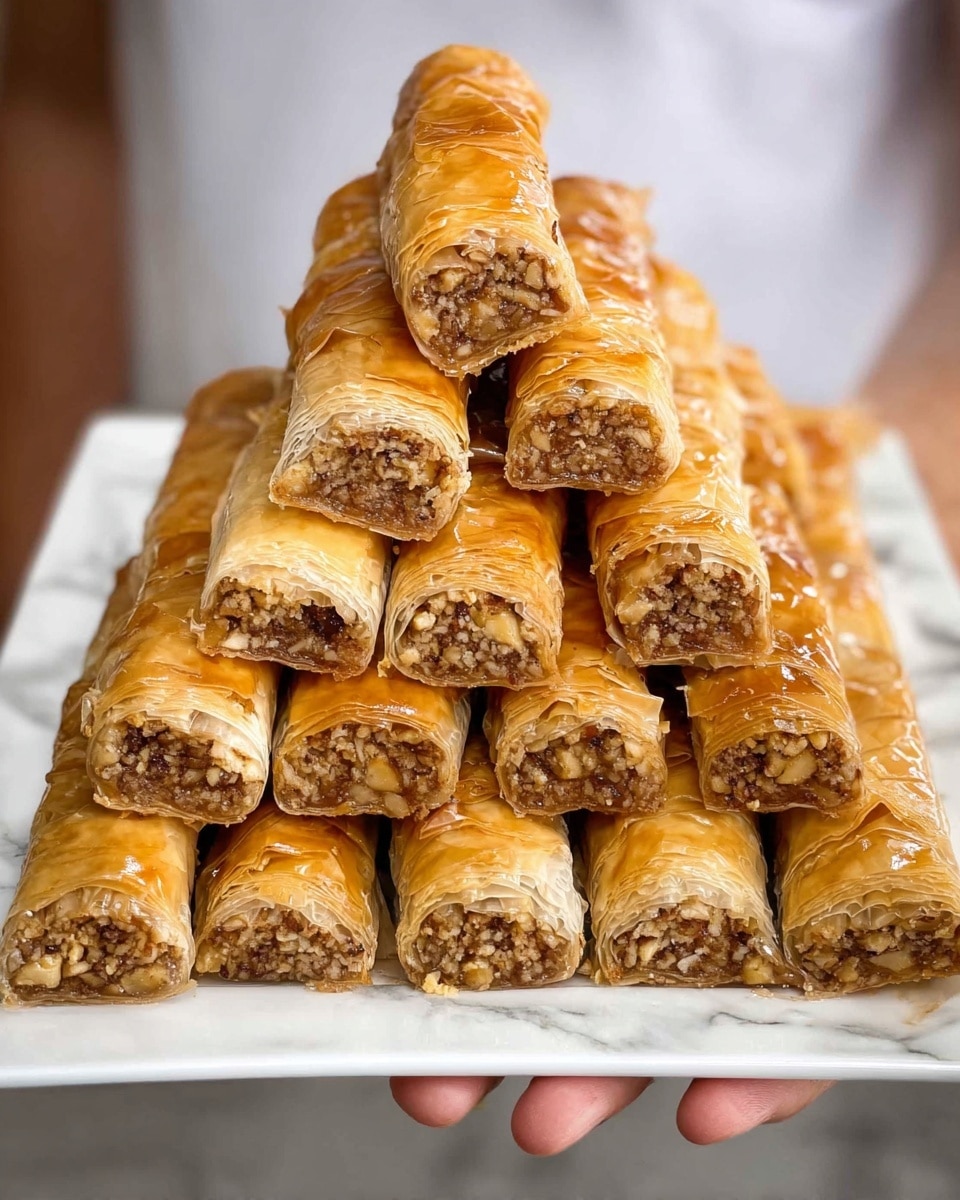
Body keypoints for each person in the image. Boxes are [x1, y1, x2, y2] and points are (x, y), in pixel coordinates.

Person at [1, 0, 957, 1183]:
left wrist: (923, 471)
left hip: (806, 365)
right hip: (273, 387)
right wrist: (33, 589)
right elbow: (48, 82)